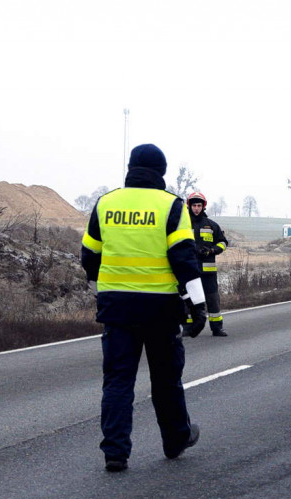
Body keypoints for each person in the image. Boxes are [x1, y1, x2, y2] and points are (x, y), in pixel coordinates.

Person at [80, 143, 207, 472]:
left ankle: (115, 452)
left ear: (131, 168)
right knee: (166, 379)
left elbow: (89, 257)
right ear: (161, 172)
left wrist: (112, 281)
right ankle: (176, 439)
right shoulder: (170, 206)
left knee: (118, 381)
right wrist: (198, 307)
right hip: (161, 308)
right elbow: (183, 259)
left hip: (117, 308)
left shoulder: (106, 204)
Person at [186, 192, 229, 336]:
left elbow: (223, 242)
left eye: (199, 205)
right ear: (189, 206)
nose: (196, 208)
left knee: (213, 300)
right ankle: (188, 328)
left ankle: (217, 328)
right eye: (194, 205)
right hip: (189, 270)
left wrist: (212, 250)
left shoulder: (211, 225)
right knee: (189, 301)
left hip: (208, 273)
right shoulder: (183, 224)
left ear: (203, 207)